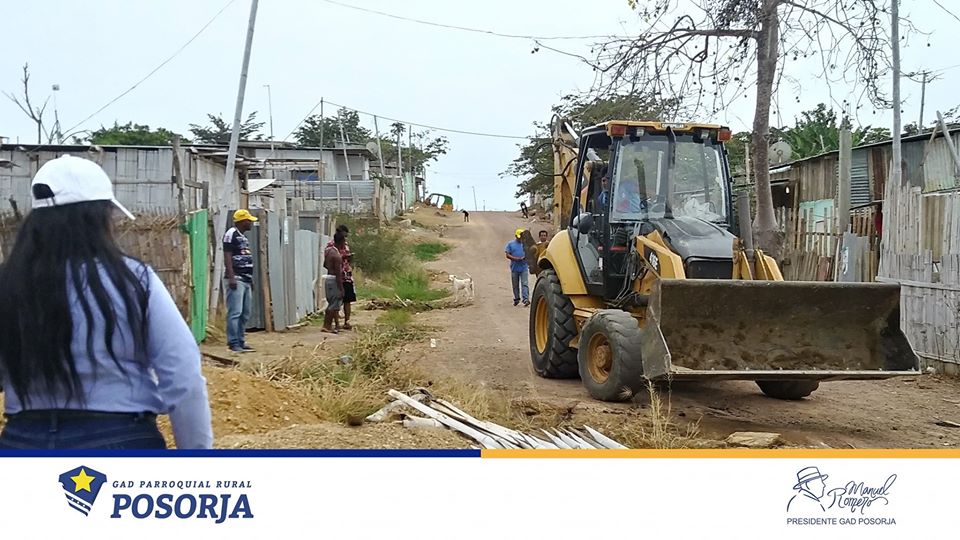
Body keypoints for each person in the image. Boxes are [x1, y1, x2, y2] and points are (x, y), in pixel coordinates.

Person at [0, 155, 213, 449]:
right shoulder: (134, 280)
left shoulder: (9, 283)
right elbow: (182, 375)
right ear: (99, 217)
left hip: (23, 440)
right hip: (120, 438)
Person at [223, 209, 258, 353]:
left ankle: (241, 341)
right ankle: (233, 342)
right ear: (242, 221)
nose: (251, 223)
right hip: (236, 279)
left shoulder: (243, 237)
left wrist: (250, 279)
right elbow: (227, 255)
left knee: (245, 313)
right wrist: (231, 276)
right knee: (235, 312)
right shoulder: (231, 234)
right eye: (249, 221)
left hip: (246, 279)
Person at [327, 224, 355, 330]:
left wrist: (348, 258)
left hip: (346, 275)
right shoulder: (331, 246)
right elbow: (329, 260)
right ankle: (336, 323)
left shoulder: (345, 245)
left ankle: (346, 321)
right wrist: (340, 259)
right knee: (336, 301)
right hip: (336, 275)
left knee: (347, 300)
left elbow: (346, 258)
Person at [322, 232, 346, 334]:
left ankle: (329, 325)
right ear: (341, 242)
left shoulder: (328, 251)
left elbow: (324, 265)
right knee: (334, 304)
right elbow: (338, 273)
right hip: (334, 280)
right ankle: (326, 325)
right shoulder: (337, 256)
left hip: (328, 279)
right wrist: (341, 288)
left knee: (331, 302)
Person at [505, 228, 530, 306]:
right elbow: (507, 254)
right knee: (515, 285)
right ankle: (517, 298)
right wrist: (517, 259)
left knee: (524, 283)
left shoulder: (526, 244)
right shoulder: (510, 244)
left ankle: (525, 299)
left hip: (524, 267)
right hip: (514, 268)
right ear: (516, 236)